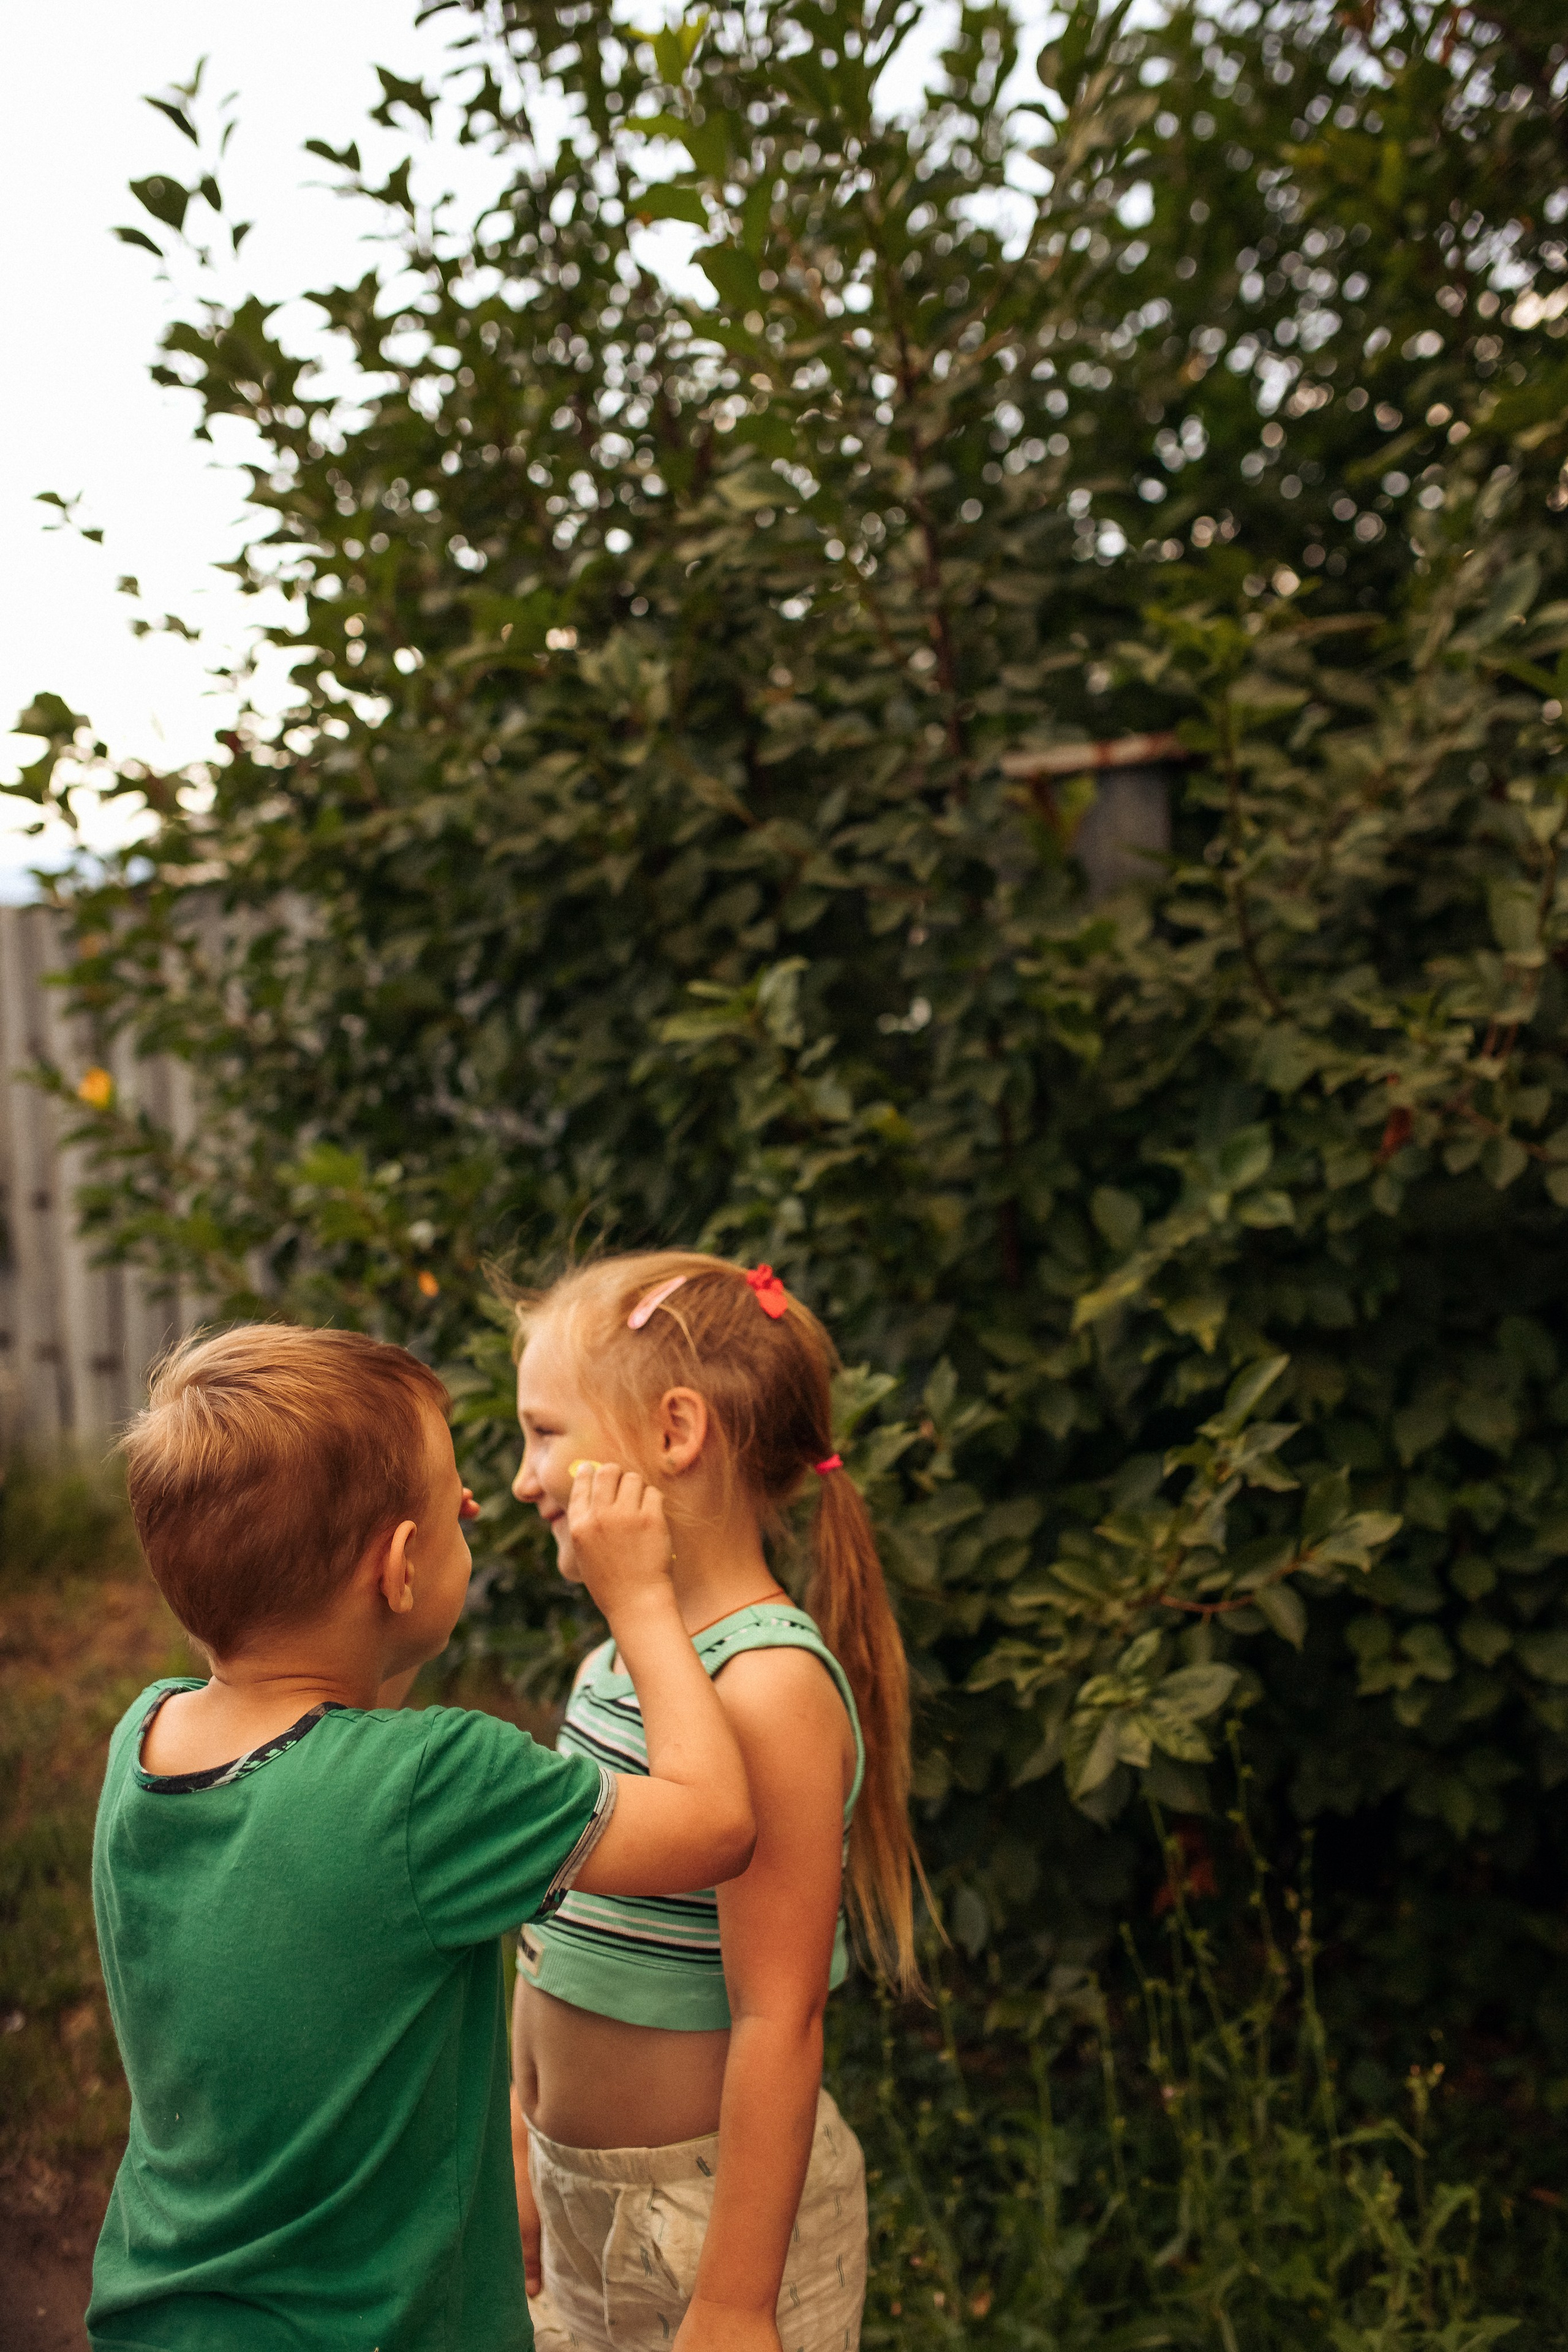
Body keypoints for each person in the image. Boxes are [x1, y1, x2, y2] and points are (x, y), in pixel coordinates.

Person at [87, 1322, 755, 2352]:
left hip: (163, 2315)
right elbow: (714, 1823)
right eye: (453, 1514)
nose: (479, 1515)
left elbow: (333, 1714)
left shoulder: (148, 1740)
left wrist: (416, 1555)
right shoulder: (435, 1788)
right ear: (399, 1570)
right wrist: (641, 1596)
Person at [507, 1253, 921, 2352]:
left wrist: (737, 2302)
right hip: (576, 2197)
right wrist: (518, 2131)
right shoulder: (615, 1661)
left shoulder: (767, 1687)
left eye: (544, 1433)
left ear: (674, 1433)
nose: (521, 1478)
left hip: (710, 2227)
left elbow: (779, 2016)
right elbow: (552, 1930)